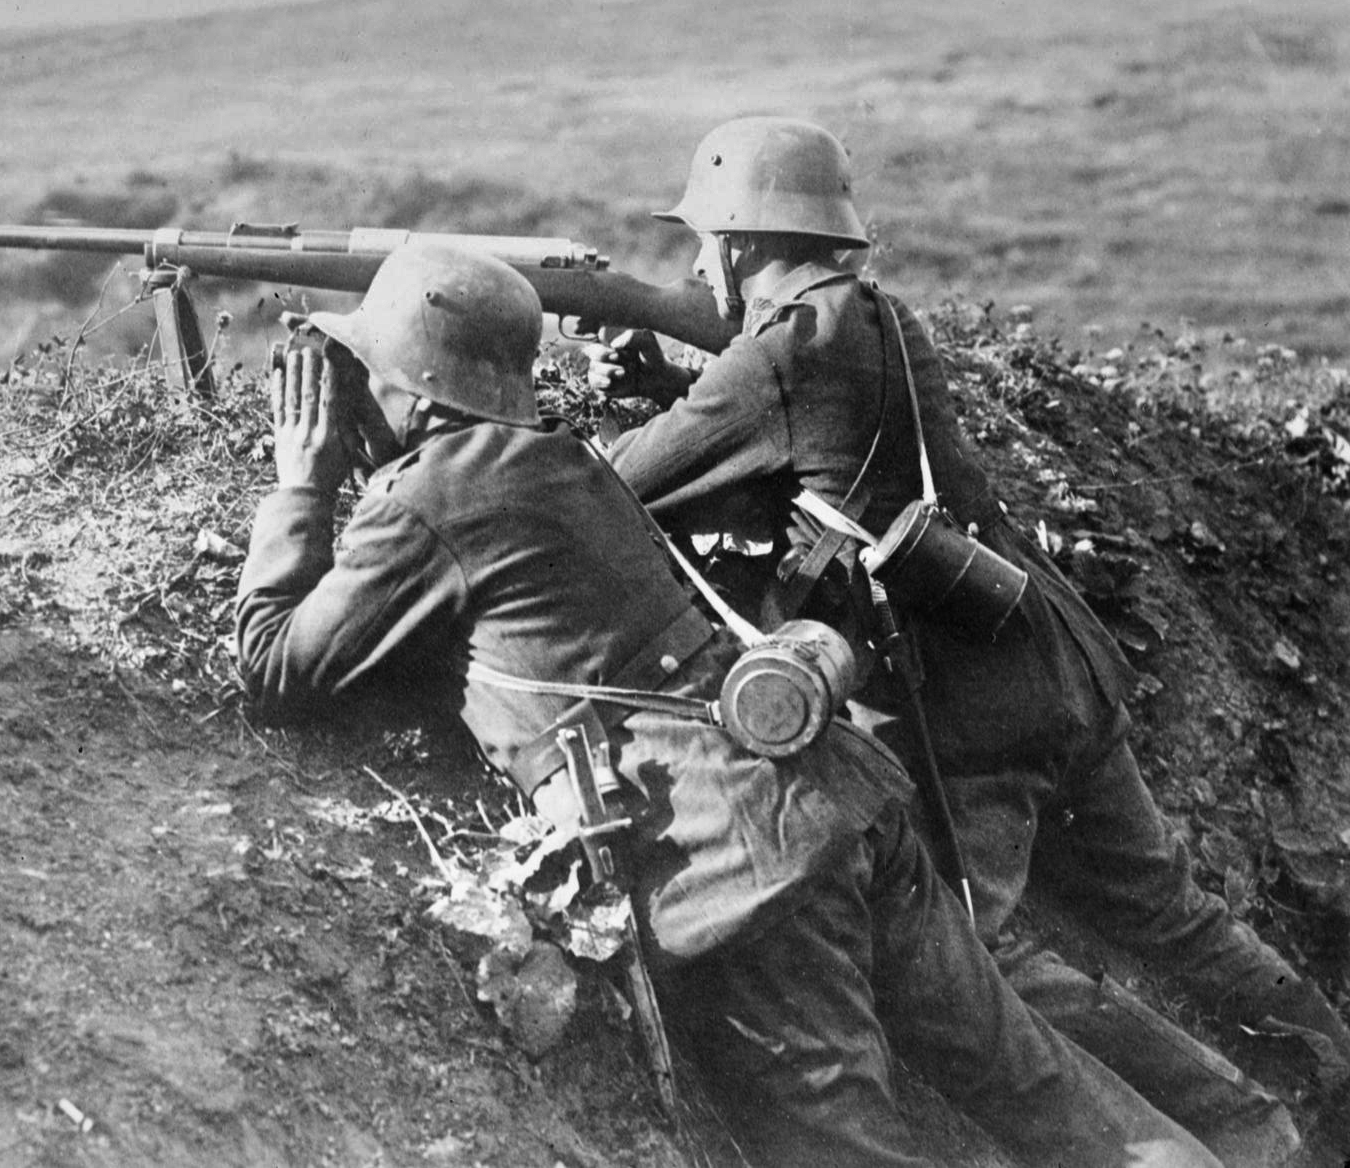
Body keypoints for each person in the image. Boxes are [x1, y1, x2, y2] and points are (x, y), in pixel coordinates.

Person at [236, 241, 1219, 1167]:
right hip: (846, 799)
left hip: (748, 875)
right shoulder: (565, 460)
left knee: (844, 1146)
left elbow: (277, 671)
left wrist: (298, 489)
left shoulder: (429, 498)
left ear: (411, 383)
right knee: (1044, 1089)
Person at [583, 115, 1350, 1163]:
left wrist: (632, 398)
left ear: (739, 245)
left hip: (969, 718)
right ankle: (1326, 1072)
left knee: (982, 970)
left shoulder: (776, 352)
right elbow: (822, 443)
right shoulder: (874, 319)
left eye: (703, 240)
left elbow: (616, 485)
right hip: (1052, 654)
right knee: (1169, 912)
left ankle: (1244, 1135)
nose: (695, 260)